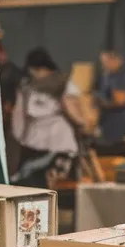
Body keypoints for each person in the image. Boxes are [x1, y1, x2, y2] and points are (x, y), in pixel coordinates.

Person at [11, 47, 86, 187]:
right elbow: (77, 114)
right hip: (52, 143)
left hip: (46, 144)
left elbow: (19, 118)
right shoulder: (62, 83)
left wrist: (20, 137)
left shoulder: (29, 88)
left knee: (45, 188)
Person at [97, 48, 125, 145]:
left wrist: (100, 103)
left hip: (123, 126)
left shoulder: (123, 75)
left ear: (115, 59)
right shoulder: (108, 75)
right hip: (112, 128)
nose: (104, 65)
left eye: (106, 62)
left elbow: (121, 100)